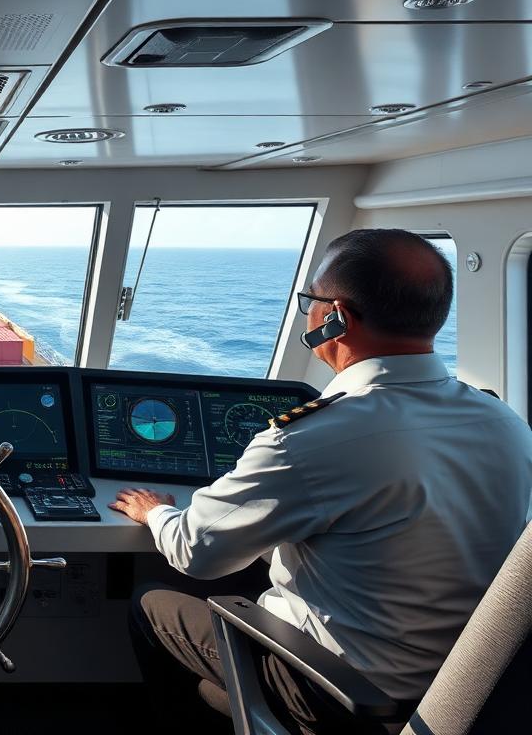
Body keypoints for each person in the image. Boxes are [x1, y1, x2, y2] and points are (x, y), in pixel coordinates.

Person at [110, 228, 532, 734]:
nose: (306, 311)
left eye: (310, 299)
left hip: (341, 690)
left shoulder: (310, 439)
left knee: (150, 605)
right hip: (473, 691)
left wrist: (154, 510)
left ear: (335, 319)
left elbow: (197, 551)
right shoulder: (505, 422)